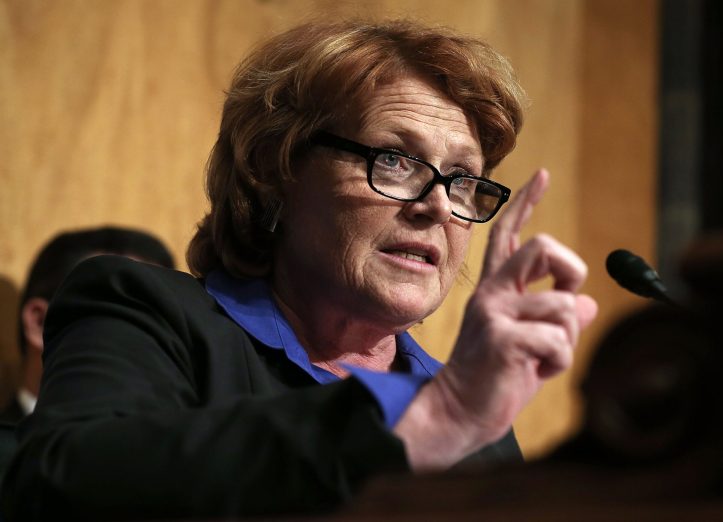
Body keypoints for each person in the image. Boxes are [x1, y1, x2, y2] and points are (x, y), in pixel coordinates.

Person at [2, 19, 597, 520]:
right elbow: (64, 482)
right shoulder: (146, 313)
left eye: (463, 179)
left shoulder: (471, 406)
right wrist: (426, 420)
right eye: (395, 160)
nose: (439, 204)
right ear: (276, 172)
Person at [0, 226, 176, 425]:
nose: (154, 338)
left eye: (162, 320)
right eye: (124, 316)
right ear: (40, 323)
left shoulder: (181, 448)